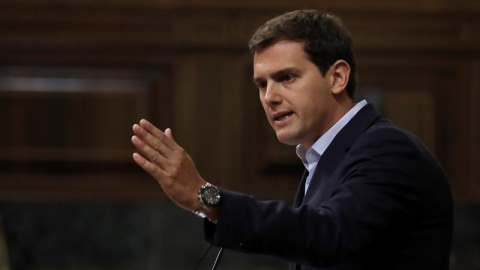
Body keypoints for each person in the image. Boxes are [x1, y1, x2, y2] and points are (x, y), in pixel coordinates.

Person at [131, 9, 453, 270]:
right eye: (261, 84)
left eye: (286, 78)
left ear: (338, 77)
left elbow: (328, 236)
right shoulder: (324, 160)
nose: (269, 97)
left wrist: (206, 197)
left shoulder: (387, 149)